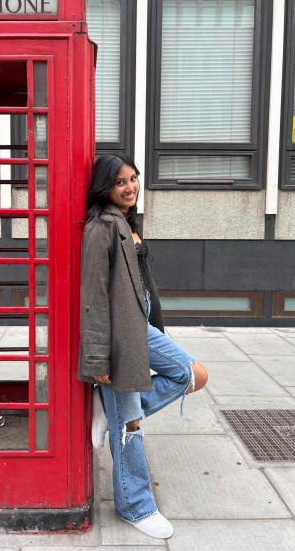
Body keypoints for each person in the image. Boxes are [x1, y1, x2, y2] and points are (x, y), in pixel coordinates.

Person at [77, 154, 208, 539]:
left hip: (141, 328)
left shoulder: (125, 221)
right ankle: (135, 505)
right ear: (105, 187)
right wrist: (98, 356)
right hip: (120, 336)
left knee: (191, 373)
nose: (130, 186)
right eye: (120, 182)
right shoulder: (101, 225)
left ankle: (106, 408)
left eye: (133, 179)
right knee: (130, 425)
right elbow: (94, 297)